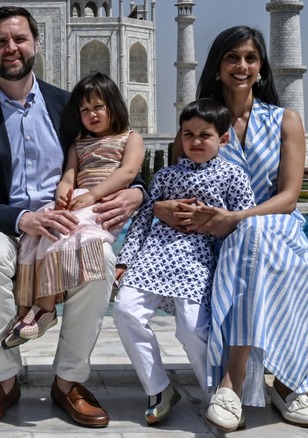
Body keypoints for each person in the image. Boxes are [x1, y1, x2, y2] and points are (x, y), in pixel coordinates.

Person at [0, 6, 144, 428]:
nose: (11, 48)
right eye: (1, 40)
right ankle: (4, 379)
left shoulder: (66, 106)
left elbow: (114, 152)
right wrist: (21, 219)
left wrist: (136, 192)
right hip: (3, 223)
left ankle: (69, 381)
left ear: (37, 43)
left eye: (19, 39)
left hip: (65, 222)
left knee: (102, 261)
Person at [156, 26, 308, 431]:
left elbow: (289, 196)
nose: (242, 66)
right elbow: (174, 185)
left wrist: (236, 218)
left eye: (250, 59)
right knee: (255, 248)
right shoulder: (198, 123)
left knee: (252, 238)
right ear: (218, 67)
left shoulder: (285, 120)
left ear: (261, 68)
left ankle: (232, 382)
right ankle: (288, 387)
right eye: (232, 58)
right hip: (211, 240)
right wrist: (163, 208)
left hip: (275, 229)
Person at [113, 98, 255, 425]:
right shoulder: (166, 176)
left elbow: (245, 223)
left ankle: (219, 397)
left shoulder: (233, 177)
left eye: (204, 135)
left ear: (223, 138)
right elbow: (144, 219)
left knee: (192, 328)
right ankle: (159, 387)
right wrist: (125, 259)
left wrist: (218, 225)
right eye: (188, 134)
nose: (195, 142)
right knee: (125, 311)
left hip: (196, 260)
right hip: (155, 256)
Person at [2, 72, 145, 348]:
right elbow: (69, 175)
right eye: (85, 110)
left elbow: (127, 173)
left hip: (103, 205)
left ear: (114, 106)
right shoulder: (78, 144)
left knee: (61, 232)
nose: (92, 114)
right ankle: (27, 306)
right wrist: (62, 194)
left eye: (98, 107)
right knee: (38, 234)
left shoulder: (131, 138)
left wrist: (92, 195)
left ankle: (44, 306)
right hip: (80, 202)